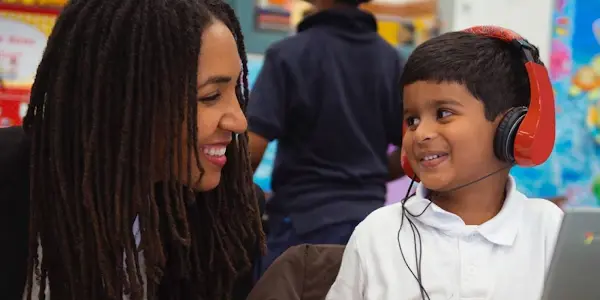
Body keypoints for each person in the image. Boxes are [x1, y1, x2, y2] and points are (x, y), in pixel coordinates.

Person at [0, 0, 265, 299]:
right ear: (126, 100)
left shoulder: (227, 219)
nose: (239, 120)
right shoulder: (10, 181)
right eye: (211, 96)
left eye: (237, 91)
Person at [326, 28, 563, 299]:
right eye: (412, 119)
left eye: (443, 113)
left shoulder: (548, 228)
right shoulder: (378, 234)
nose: (420, 133)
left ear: (513, 130)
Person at [247, 0, 406, 273]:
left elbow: (251, 149)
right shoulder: (391, 60)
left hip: (300, 229)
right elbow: (411, 149)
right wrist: (373, 173)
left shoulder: (288, 54)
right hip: (371, 229)